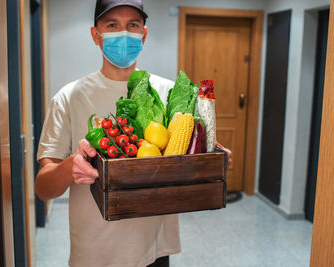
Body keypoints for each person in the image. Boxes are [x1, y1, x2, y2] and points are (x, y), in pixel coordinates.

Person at [35, 0, 232, 266]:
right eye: (112, 25)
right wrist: (72, 165)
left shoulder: (168, 91)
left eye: (133, 25)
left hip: (154, 249)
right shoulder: (68, 98)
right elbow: (43, 188)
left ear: (144, 34)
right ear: (96, 35)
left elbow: (184, 164)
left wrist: (212, 159)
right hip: (95, 253)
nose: (124, 33)